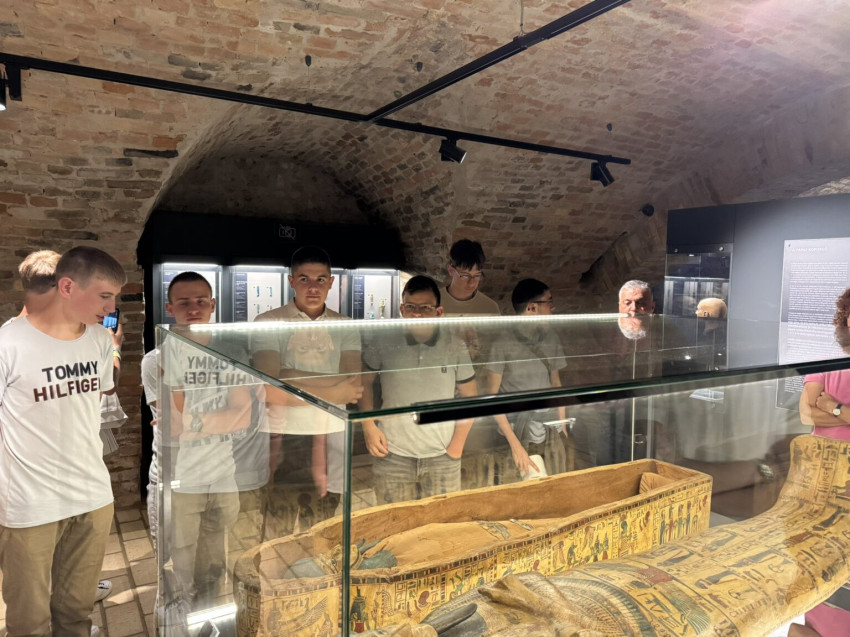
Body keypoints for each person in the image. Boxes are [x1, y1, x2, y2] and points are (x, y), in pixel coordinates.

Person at [0, 246, 125, 637]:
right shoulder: (9, 343)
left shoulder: (99, 339)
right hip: (30, 504)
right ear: (67, 287)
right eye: (104, 296)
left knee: (76, 614)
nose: (111, 307)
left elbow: (99, 395)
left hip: (92, 496)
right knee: (29, 622)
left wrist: (115, 348)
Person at [161, 271, 268, 615]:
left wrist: (196, 422)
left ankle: (206, 620)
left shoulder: (228, 349)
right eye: (184, 302)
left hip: (223, 473)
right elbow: (175, 426)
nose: (194, 308)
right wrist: (211, 420)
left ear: (213, 304)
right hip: (184, 478)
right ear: (170, 308)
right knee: (181, 563)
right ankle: (181, 620)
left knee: (214, 562)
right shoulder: (166, 351)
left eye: (201, 301)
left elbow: (242, 414)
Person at [252, 246, 362, 525]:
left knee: (324, 526)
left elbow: (352, 384)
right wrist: (333, 391)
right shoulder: (267, 322)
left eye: (320, 279)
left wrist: (288, 376)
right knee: (278, 524)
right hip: (283, 434)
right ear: (291, 281)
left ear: (331, 282)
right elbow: (269, 388)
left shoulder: (345, 325)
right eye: (304, 279)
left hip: (331, 433)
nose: (313, 287)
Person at [361, 275, 477, 503]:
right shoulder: (384, 340)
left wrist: (456, 447)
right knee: (393, 521)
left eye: (425, 308)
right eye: (411, 307)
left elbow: (470, 397)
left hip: (442, 455)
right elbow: (363, 383)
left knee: (441, 522)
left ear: (439, 312)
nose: (417, 314)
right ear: (402, 309)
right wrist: (368, 426)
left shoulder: (454, 345)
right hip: (392, 454)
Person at [486, 279, 567, 476]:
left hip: (546, 430)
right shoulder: (502, 343)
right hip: (513, 433)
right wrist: (515, 445)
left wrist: (562, 425)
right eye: (548, 301)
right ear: (532, 307)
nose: (552, 307)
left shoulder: (551, 338)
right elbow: (491, 398)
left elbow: (556, 383)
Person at [440, 239, 500, 317]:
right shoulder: (433, 303)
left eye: (477, 275)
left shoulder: (490, 308)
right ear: (451, 270)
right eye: (465, 276)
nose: (471, 283)